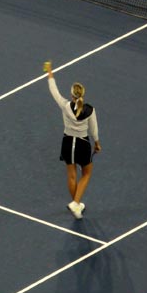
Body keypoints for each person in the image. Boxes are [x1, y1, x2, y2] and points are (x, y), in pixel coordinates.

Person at [45, 61, 101, 219]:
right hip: (83, 145)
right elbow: (93, 130)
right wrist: (96, 143)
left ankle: (76, 205)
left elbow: (53, 90)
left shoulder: (65, 105)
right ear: (82, 94)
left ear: (72, 95)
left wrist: (50, 73)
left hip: (68, 143)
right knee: (87, 173)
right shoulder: (90, 110)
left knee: (71, 175)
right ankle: (76, 203)